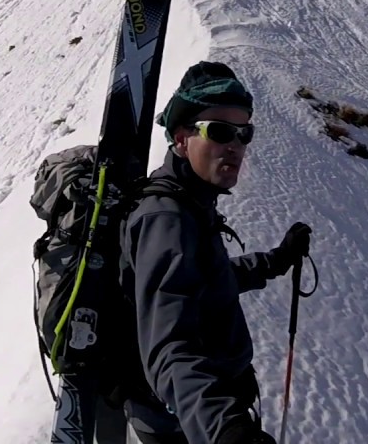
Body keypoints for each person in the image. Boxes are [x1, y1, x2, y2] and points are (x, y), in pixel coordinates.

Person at [118, 61, 312, 444]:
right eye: (220, 131)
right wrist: (225, 429)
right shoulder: (167, 219)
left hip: (205, 411)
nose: (235, 146)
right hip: (187, 423)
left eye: (244, 134)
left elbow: (206, 278)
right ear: (180, 139)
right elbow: (168, 348)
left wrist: (275, 260)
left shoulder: (191, 202)